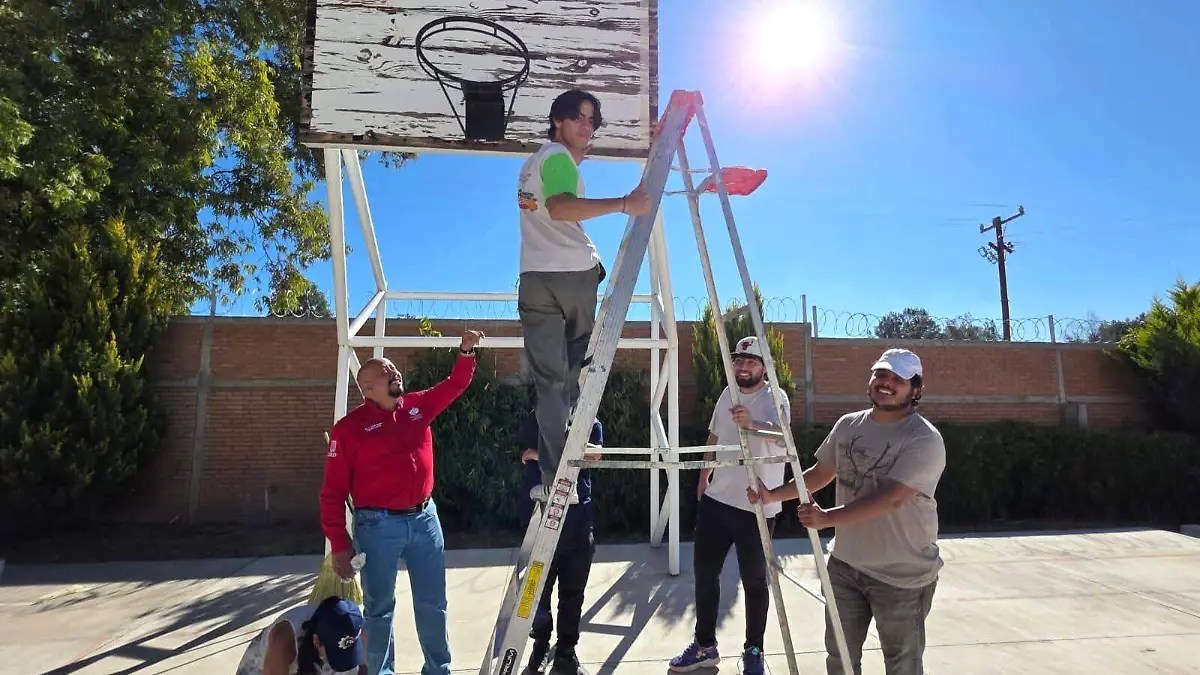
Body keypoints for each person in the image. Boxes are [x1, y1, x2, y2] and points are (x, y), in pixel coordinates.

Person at [747, 348, 946, 675]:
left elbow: (891, 499)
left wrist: (826, 519)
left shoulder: (923, 438)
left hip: (901, 576)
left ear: (917, 390)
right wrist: (773, 496)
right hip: (845, 567)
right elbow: (819, 473)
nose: (886, 383)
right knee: (839, 658)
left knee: (902, 665)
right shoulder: (849, 425)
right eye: (881, 374)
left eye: (898, 379)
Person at [319, 329, 484, 675]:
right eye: (384, 371)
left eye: (394, 368)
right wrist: (339, 542)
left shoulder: (417, 406)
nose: (394, 372)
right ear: (367, 388)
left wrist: (466, 352)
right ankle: (382, 671)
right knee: (379, 609)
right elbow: (332, 492)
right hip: (377, 527)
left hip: (426, 520)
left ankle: (438, 669)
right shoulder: (348, 429)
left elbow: (454, 385)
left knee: (433, 603)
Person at [516, 88, 651, 496]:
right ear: (557, 120)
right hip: (571, 275)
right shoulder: (557, 158)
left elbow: (543, 204)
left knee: (550, 384)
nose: (587, 126)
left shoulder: (534, 163)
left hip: (534, 278)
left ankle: (553, 480)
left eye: (592, 121)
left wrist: (572, 160)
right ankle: (571, 444)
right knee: (574, 371)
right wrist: (625, 203)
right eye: (578, 117)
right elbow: (560, 207)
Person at [668, 336, 790, 675]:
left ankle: (754, 651)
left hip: (756, 507)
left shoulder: (775, 397)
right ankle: (705, 645)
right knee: (705, 574)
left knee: (754, 580)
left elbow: (784, 437)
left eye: (751, 361)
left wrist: (753, 424)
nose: (743, 366)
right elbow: (714, 435)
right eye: (739, 360)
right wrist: (703, 475)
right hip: (717, 501)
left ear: (765, 366)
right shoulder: (727, 394)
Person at [514, 392, 603, 675]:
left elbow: (595, 455)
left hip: (579, 524)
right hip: (542, 522)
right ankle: (540, 649)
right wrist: (573, 453)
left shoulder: (591, 421)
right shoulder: (534, 419)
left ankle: (566, 652)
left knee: (573, 593)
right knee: (537, 592)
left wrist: (549, 454)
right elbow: (530, 455)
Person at [235, 596, 366, 675]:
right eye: (334, 653)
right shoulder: (283, 640)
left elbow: (365, 670)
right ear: (316, 640)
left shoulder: (359, 626)